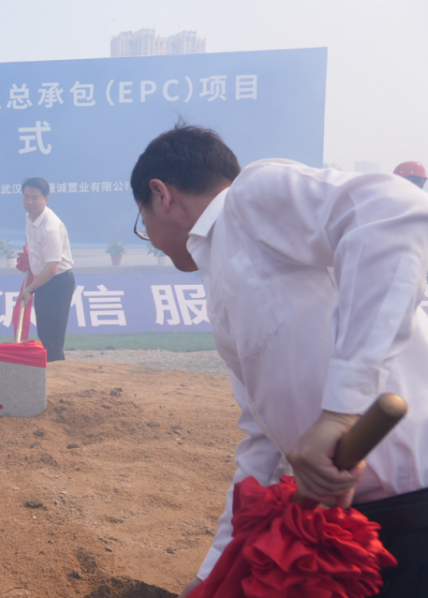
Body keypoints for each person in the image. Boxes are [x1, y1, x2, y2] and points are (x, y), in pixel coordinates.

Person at [130, 124, 428, 598]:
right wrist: (214, 572)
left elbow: (396, 211)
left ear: (161, 195)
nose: (150, 239)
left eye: (142, 223)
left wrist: (341, 411)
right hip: (360, 536)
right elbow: (265, 442)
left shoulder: (249, 197)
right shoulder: (222, 276)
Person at [17, 177, 75, 361]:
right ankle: (50, 373)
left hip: (57, 283)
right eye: (26, 197)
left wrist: (30, 289)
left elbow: (52, 267)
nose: (30, 202)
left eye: (35, 198)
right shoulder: (30, 217)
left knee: (52, 339)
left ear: (46, 199)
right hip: (43, 281)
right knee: (44, 333)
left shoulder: (51, 227)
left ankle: (58, 375)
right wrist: (29, 258)